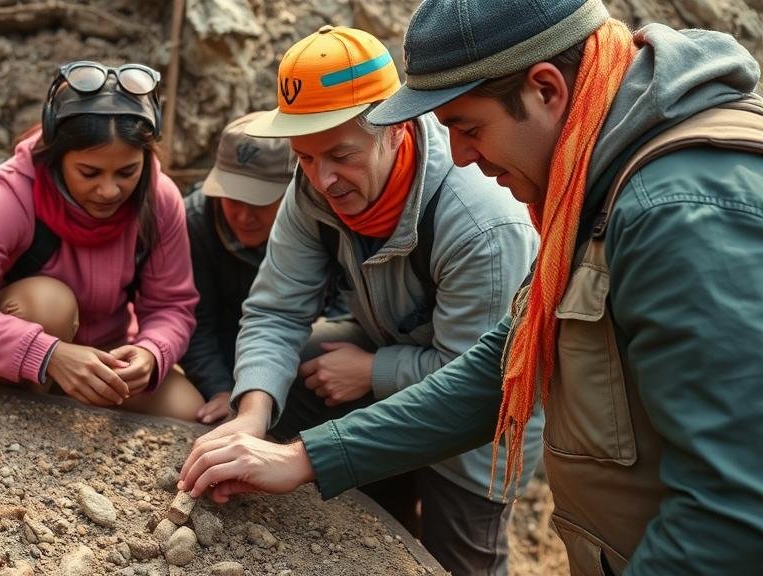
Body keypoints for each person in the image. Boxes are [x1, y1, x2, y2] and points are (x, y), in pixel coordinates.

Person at [179, 1, 763, 574]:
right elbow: (499, 366)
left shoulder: (677, 211)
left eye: (469, 126)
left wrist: (342, 411)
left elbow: (730, 507)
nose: (459, 154)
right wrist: (304, 457)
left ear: (545, 90)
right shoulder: (591, 187)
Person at [182, 26, 541, 575]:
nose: (323, 179)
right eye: (304, 157)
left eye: (341, 155)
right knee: (306, 379)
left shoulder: (481, 224)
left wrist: (374, 370)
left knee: (458, 560)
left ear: (395, 129)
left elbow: (476, 386)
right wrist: (250, 415)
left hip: (478, 430)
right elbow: (276, 310)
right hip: (393, 363)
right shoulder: (314, 190)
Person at [0, 60, 204, 421]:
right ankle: (7, 431)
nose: (110, 190)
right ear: (57, 158)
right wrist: (48, 354)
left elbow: (172, 305)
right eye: (89, 172)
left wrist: (151, 353)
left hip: (95, 360)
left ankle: (58, 408)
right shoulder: (17, 193)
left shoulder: (157, 199)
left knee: (189, 411)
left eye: (127, 171)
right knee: (48, 303)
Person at [181, 111, 301, 424]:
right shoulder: (194, 223)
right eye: (233, 199)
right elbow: (194, 321)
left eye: (260, 202)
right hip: (215, 362)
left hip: (293, 364)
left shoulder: (316, 225)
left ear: (290, 192)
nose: (245, 216)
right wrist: (219, 389)